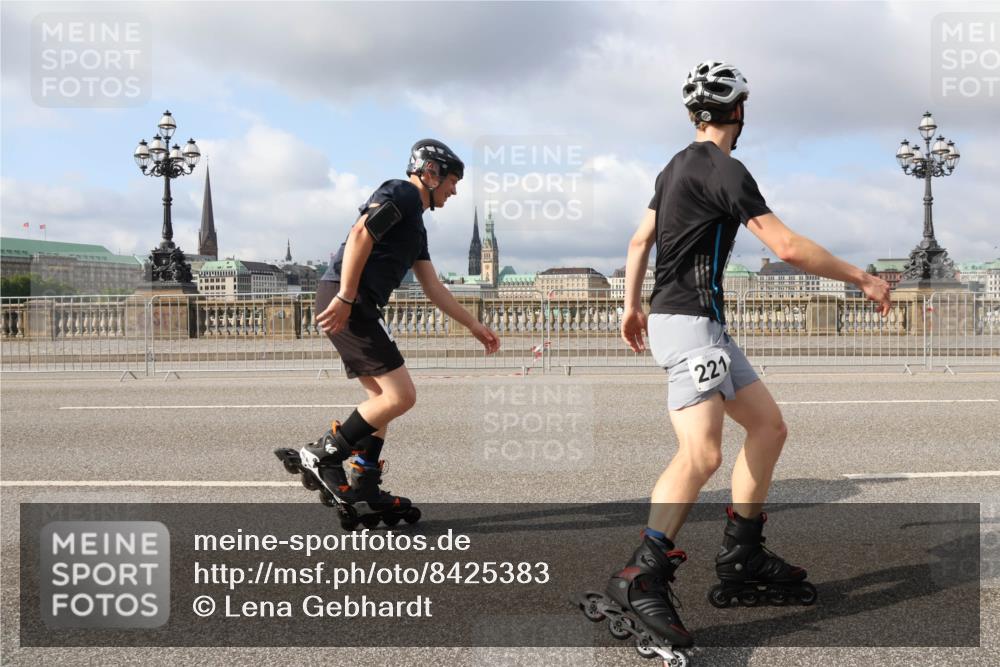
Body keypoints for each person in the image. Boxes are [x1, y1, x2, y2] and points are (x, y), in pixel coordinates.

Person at [609, 60, 892, 648]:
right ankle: (641, 575)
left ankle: (743, 551)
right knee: (702, 452)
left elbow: (639, 240)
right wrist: (861, 277)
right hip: (690, 325)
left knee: (768, 427)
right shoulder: (727, 170)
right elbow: (786, 247)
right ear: (738, 111)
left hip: (695, 322)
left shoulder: (673, 167)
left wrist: (631, 305)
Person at [283, 139, 500, 523]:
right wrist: (347, 296)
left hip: (358, 302)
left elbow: (432, 287)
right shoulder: (401, 193)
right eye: (452, 181)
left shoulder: (416, 224)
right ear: (431, 173)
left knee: (382, 400)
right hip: (349, 300)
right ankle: (322, 454)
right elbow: (361, 235)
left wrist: (473, 324)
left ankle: (365, 481)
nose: (454, 191)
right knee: (402, 396)